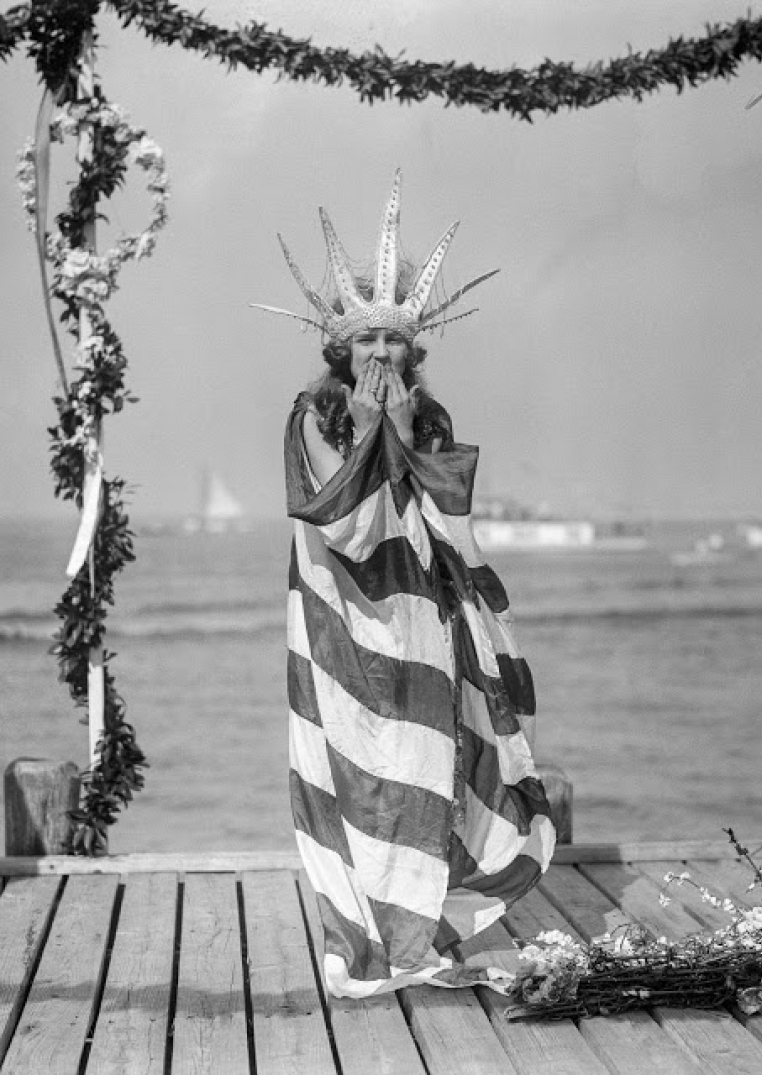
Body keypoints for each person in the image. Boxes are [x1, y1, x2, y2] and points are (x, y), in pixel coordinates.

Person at [255, 171, 555, 999]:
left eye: (393, 341)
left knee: (433, 762)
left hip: (422, 618)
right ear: (341, 352)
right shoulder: (312, 415)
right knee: (361, 768)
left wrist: (398, 431)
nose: (381, 354)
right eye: (367, 343)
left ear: (411, 352)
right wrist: (370, 432)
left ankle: (422, 929)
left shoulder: (430, 420)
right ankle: (371, 934)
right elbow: (342, 520)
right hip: (344, 621)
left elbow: (443, 516)